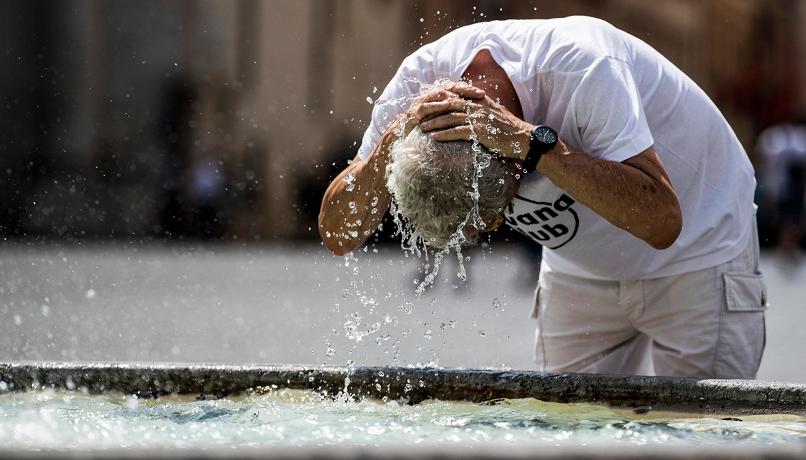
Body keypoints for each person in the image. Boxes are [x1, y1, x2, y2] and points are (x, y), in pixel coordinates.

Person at [319, 16, 767, 379]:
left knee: (705, 432)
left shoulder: (584, 67)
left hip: (699, 246)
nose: (496, 228)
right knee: (568, 429)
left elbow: (663, 222)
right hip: (580, 265)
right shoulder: (415, 87)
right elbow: (338, 235)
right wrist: (386, 146)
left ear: (515, 169)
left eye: (494, 218)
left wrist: (534, 144)